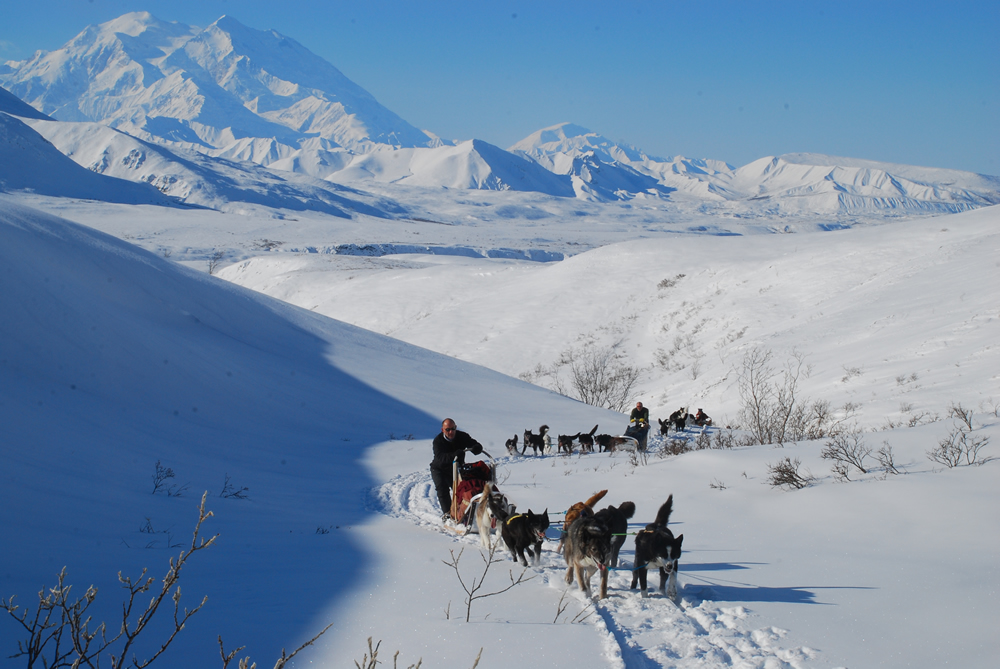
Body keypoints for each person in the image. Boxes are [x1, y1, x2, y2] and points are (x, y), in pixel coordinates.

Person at [430, 418, 483, 521]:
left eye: (453, 429)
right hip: (440, 469)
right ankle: (447, 514)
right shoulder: (438, 441)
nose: (451, 432)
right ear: (442, 430)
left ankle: (462, 513)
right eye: (448, 429)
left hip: (456, 468)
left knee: (460, 491)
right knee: (442, 488)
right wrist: (454, 455)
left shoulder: (462, 436)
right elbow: (440, 457)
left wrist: (477, 448)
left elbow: (473, 444)